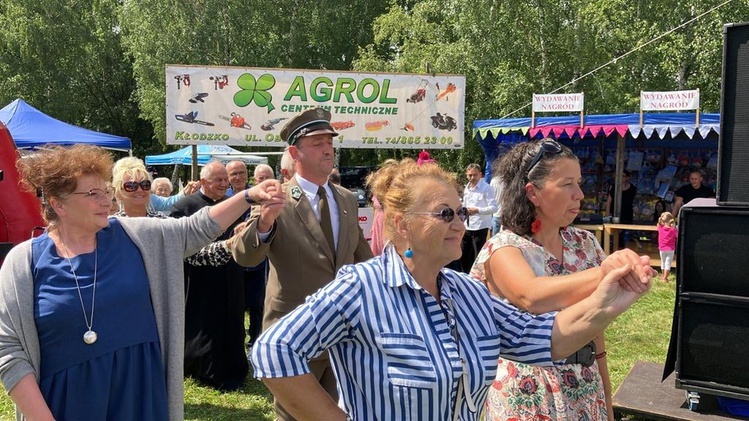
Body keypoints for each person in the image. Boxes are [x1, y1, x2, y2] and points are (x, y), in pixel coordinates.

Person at [249, 158, 652, 420]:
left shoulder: (468, 292)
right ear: (403, 224)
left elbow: (545, 338)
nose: (460, 223)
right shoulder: (361, 287)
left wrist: (609, 300)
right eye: (445, 213)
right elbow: (274, 350)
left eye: (460, 211)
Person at [0, 144, 282, 420]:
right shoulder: (24, 262)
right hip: (66, 403)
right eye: (93, 193)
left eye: (106, 191)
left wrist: (248, 196)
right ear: (57, 204)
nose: (106, 201)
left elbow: (195, 227)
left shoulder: (135, 236)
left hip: (139, 397)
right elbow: (9, 350)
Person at [470, 139, 654, 420]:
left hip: (585, 387)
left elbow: (595, 324)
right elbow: (532, 296)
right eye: (567, 184)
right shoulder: (503, 248)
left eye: (579, 183)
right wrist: (607, 272)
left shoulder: (585, 242)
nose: (579, 194)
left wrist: (605, 397)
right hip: (529, 396)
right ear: (533, 192)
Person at [227, 107, 373, 421]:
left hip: (342, 331)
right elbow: (244, 255)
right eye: (318, 142)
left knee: (337, 410)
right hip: (293, 333)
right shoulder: (275, 198)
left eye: (330, 142)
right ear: (295, 152)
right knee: (294, 416)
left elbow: (362, 257)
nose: (328, 149)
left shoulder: (346, 199)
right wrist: (265, 222)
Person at [171, 160, 249, 390]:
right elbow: (180, 244)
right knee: (204, 320)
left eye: (225, 180)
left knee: (233, 318)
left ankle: (235, 366)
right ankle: (201, 367)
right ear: (203, 181)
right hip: (200, 278)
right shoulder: (185, 206)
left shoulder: (232, 204)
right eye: (218, 180)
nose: (224, 184)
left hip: (231, 274)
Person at [460, 163, 498, 272]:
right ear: (466, 175)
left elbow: (494, 208)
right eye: (470, 175)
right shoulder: (466, 188)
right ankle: (465, 276)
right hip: (467, 226)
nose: (472, 178)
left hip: (480, 227)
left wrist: (478, 210)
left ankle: (478, 277)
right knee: (464, 254)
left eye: (475, 175)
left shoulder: (487, 188)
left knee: (478, 254)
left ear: (480, 175)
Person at [657, 211, 678, 282]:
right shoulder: (673, 230)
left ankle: (663, 275)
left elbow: (658, 224)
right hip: (670, 249)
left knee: (663, 262)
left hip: (662, 249)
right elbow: (677, 236)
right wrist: (674, 226)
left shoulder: (660, 228)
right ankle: (665, 278)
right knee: (668, 263)